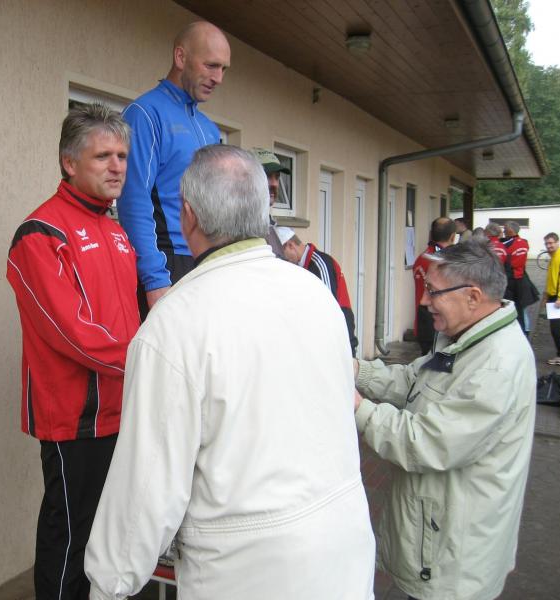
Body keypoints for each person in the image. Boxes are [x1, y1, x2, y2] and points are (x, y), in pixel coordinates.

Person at [85, 145, 375, 600]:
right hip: (346, 554)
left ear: (188, 215)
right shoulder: (316, 294)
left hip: (247, 573)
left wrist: (109, 585)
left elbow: (145, 489)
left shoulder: (175, 324)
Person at [6, 103, 140, 599]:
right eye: (103, 156)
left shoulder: (117, 231)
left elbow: (131, 321)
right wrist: (147, 363)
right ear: (69, 162)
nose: (116, 167)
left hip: (123, 409)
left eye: (121, 156)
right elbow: (74, 333)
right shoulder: (40, 233)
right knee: (70, 540)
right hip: (75, 419)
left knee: (112, 537)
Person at [354, 239, 536, 600]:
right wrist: (356, 370)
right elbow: (412, 380)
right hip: (437, 540)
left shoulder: (495, 366)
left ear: (473, 297)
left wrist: (355, 406)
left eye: (433, 291)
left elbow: (424, 443)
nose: (423, 301)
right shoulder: (466, 338)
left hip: (453, 559)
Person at [117, 21, 231, 313]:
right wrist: (154, 278)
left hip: (206, 262)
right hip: (167, 263)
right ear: (181, 57)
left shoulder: (210, 128)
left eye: (223, 69)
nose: (218, 78)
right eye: (211, 65)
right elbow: (134, 200)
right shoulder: (144, 114)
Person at [277, 225, 358, 355]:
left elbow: (329, 308)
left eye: (283, 256)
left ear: (290, 245)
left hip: (339, 333)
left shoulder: (320, 264)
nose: (284, 261)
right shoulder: (301, 266)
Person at [412, 217, 456, 355]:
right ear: (453, 236)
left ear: (431, 234)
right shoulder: (446, 262)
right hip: (440, 321)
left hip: (423, 320)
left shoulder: (422, 258)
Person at [251, 147, 290, 258]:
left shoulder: (274, 226)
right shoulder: (236, 227)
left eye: (277, 177)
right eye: (267, 176)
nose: (274, 184)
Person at [502, 221, 537, 335]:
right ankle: (525, 331)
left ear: (510, 231)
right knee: (522, 308)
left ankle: (518, 331)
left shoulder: (507, 244)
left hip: (512, 280)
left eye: (505, 229)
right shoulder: (524, 242)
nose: (503, 231)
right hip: (521, 278)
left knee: (512, 307)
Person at [544, 232, 560, 365]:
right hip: (553, 297)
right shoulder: (553, 257)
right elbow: (552, 278)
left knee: (558, 329)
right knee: (556, 328)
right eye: (547, 243)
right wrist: (546, 295)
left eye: (551, 243)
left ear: (557, 242)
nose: (549, 246)